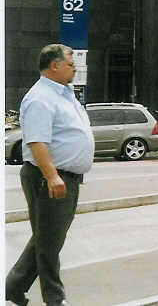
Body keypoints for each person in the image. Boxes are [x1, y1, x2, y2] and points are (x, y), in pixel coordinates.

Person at [6, 44, 95, 306]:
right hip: (48, 177)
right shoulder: (40, 97)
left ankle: (12, 286)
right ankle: (55, 299)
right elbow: (36, 142)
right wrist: (52, 176)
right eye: (70, 63)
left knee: (47, 238)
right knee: (49, 243)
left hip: (64, 176)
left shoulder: (64, 93)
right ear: (54, 65)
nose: (75, 67)